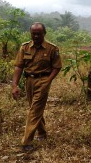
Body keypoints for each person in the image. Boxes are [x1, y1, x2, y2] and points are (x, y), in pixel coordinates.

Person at [12, 22, 62, 151]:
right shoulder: (25, 47)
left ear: (44, 33)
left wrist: (48, 81)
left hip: (43, 80)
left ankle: (26, 141)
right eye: (33, 33)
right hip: (29, 80)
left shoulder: (52, 48)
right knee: (34, 107)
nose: (35, 36)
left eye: (38, 34)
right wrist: (15, 85)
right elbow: (19, 66)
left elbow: (57, 67)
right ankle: (42, 133)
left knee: (34, 110)